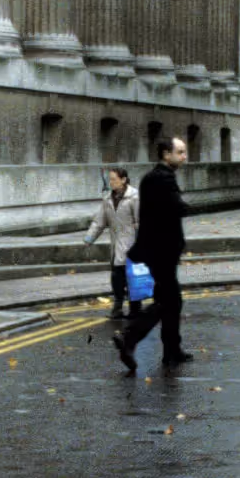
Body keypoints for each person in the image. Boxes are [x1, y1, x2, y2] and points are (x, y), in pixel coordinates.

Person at [112, 136, 191, 372]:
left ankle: (172, 350)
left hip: (158, 249)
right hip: (162, 250)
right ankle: (129, 337)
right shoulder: (162, 178)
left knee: (170, 300)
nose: (184, 157)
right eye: (180, 152)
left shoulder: (153, 177)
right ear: (166, 154)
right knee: (168, 300)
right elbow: (175, 207)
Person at [84, 165, 140, 320]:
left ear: (123, 180)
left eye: (114, 179)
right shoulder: (107, 199)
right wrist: (89, 238)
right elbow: (99, 221)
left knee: (131, 278)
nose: (111, 182)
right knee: (117, 278)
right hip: (116, 245)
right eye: (110, 180)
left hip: (132, 245)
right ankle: (118, 308)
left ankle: (134, 309)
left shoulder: (135, 197)